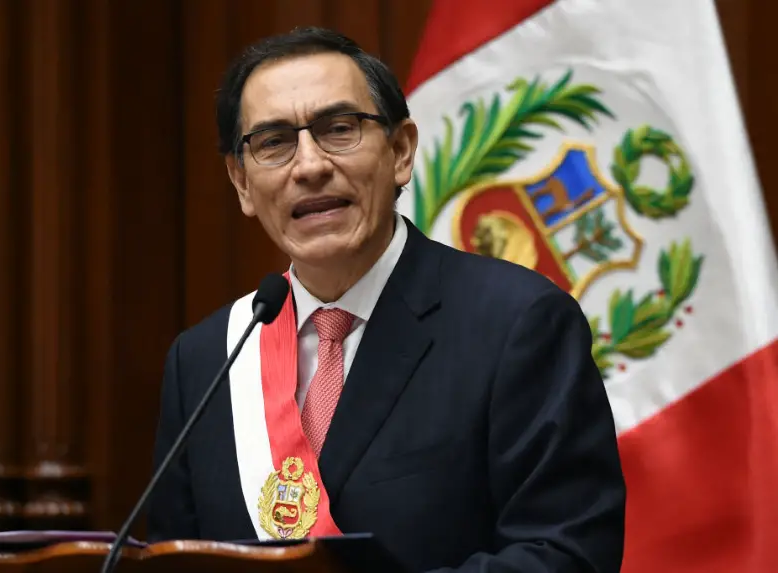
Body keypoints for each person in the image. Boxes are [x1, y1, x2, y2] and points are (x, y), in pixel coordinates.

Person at [146, 26, 626, 573]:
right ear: (241, 183)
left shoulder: (519, 324)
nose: (309, 166)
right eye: (274, 142)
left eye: (339, 129)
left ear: (400, 152)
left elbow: (565, 555)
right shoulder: (207, 359)